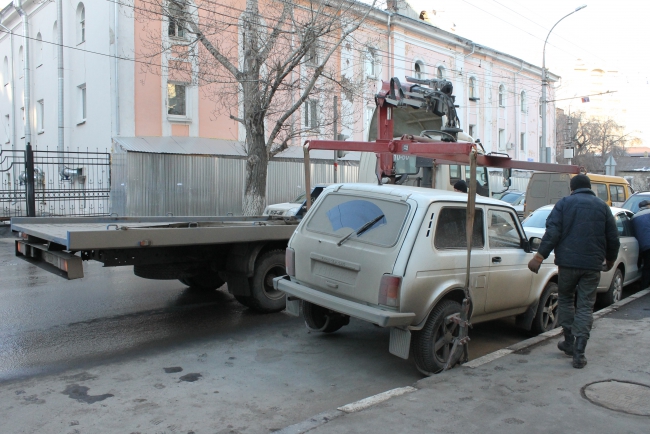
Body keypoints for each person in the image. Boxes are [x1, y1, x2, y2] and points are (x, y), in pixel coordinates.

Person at [527, 174, 619, 369]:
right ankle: (580, 352)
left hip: (567, 264)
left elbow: (553, 232)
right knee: (586, 306)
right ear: (589, 187)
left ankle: (569, 341)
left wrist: (539, 256)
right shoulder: (603, 207)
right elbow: (613, 238)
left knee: (567, 299)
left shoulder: (564, 204)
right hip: (592, 266)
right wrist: (610, 260)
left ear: (572, 188)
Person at [632, 200, 650, 290]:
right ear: (648, 205)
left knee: (647, 266)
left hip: (642, 245)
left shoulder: (634, 216)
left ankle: (644, 286)